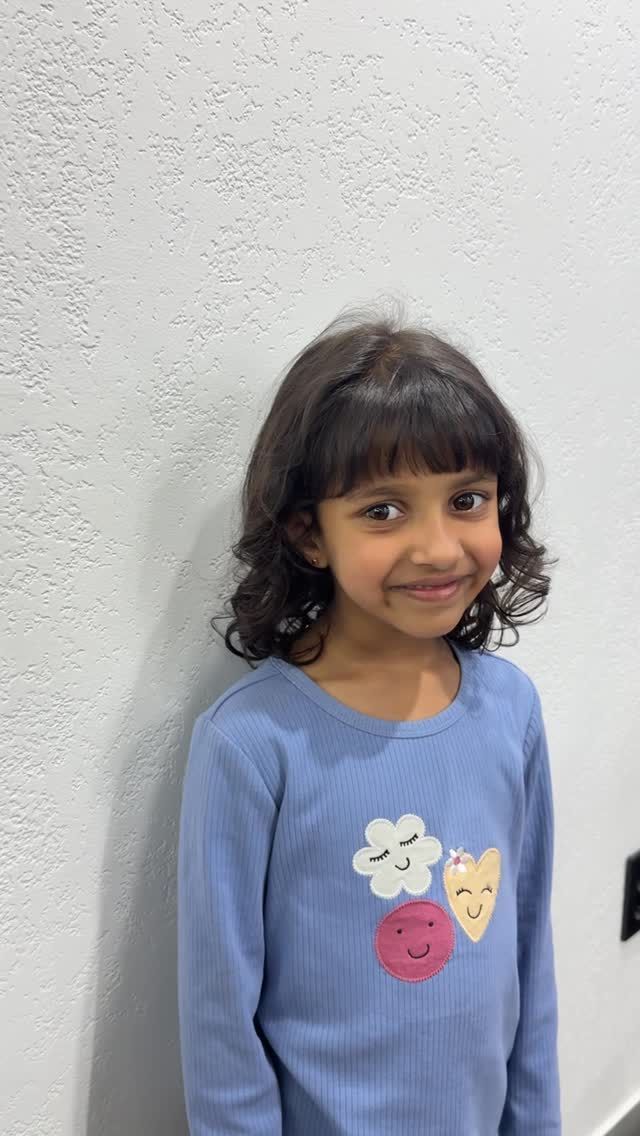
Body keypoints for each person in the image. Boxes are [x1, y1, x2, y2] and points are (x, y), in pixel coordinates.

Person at [177, 304, 562, 1135]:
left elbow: (529, 951)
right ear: (308, 533)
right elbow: (218, 1023)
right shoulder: (251, 742)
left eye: (467, 499)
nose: (438, 547)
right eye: (383, 510)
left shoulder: (511, 709)